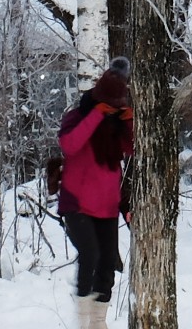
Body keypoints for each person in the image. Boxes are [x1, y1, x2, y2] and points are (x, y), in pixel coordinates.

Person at [58, 56, 133, 304]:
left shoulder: (116, 127)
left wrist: (126, 119)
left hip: (107, 208)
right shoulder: (78, 116)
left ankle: (97, 321)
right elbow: (69, 145)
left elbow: (133, 147)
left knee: (107, 269)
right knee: (90, 255)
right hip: (77, 205)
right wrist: (97, 116)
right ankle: (82, 316)